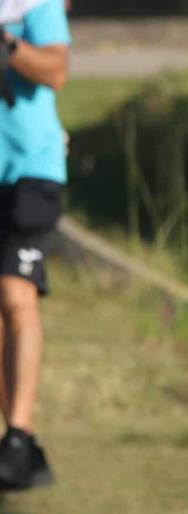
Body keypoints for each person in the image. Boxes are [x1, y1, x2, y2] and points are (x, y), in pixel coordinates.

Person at [0, 0, 67, 489]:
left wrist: (7, 44)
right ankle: (19, 447)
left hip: (31, 171)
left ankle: (19, 437)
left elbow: (55, 70)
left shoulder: (33, 4)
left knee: (14, 291)